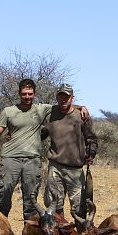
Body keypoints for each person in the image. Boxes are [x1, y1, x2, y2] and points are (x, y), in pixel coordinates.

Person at [0, 79, 88, 220]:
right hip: (10, 158)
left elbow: (64, 105)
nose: (27, 97)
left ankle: (29, 233)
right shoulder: (8, 111)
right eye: (24, 94)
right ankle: (0, 228)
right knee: (4, 194)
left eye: (30, 94)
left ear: (34, 94)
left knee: (31, 198)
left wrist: (82, 107)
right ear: (19, 93)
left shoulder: (42, 109)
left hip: (32, 160)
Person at [42, 83, 98, 218]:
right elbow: (40, 134)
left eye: (66, 97)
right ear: (57, 97)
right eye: (61, 97)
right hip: (55, 166)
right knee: (54, 206)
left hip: (75, 169)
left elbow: (91, 139)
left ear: (72, 98)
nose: (63, 100)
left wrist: (91, 154)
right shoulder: (50, 114)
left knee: (79, 208)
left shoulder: (81, 116)